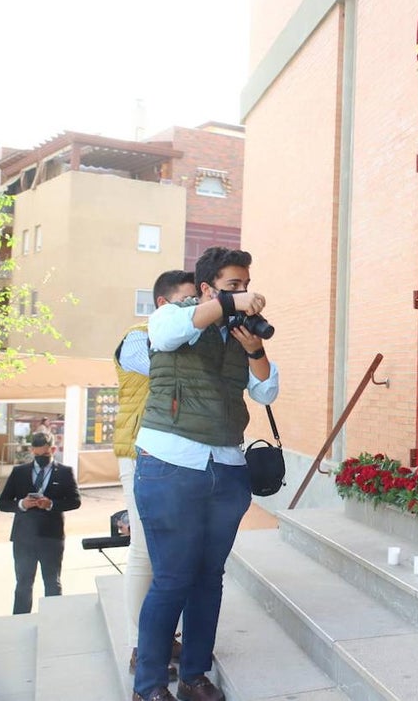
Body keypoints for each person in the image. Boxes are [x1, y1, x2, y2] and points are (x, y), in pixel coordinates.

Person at [131, 247, 278, 701]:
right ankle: (150, 686)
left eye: (245, 284)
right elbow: (171, 333)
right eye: (233, 286)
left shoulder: (237, 334)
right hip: (170, 464)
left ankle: (194, 674)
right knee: (173, 578)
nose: (243, 293)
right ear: (207, 288)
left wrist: (255, 351)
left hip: (227, 468)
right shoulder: (172, 316)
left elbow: (267, 390)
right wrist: (229, 306)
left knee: (208, 578)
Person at [114, 269, 197, 678]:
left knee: (172, 554)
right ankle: (139, 644)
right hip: (138, 452)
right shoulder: (135, 338)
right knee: (145, 550)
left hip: (176, 456)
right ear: (163, 305)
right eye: (187, 301)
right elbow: (167, 364)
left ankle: (164, 635)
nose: (195, 309)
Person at [0, 431, 81, 614]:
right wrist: (22, 504)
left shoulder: (65, 472)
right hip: (23, 537)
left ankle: (53, 620)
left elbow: (75, 501)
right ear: (32, 451)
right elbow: (2, 503)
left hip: (51, 536)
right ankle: (19, 621)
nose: (40, 458)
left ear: (53, 449)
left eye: (45, 454)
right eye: (37, 455)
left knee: (52, 582)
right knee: (23, 583)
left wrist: (51, 504)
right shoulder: (19, 472)